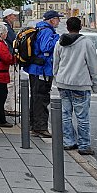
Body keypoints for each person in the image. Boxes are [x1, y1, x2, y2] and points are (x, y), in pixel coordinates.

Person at [53, 17, 97, 155]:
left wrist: (56, 78)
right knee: (82, 117)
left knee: (65, 114)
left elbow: (55, 63)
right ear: (80, 27)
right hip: (80, 84)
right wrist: (95, 84)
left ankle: (68, 142)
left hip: (63, 83)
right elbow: (93, 65)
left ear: (67, 27)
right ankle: (84, 145)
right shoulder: (86, 43)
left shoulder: (60, 43)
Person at [25, 10, 62, 138]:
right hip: (42, 70)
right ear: (52, 20)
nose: (59, 21)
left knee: (35, 97)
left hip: (35, 69)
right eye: (58, 19)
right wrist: (57, 38)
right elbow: (45, 47)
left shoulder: (39, 28)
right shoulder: (47, 31)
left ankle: (33, 125)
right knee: (41, 98)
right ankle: (40, 127)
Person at [1, 8, 20, 117]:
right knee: (11, 83)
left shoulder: (6, 27)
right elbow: (14, 41)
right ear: (8, 17)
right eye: (13, 15)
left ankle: (8, 107)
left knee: (10, 84)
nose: (15, 17)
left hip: (8, 59)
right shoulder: (7, 28)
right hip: (10, 60)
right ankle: (9, 107)